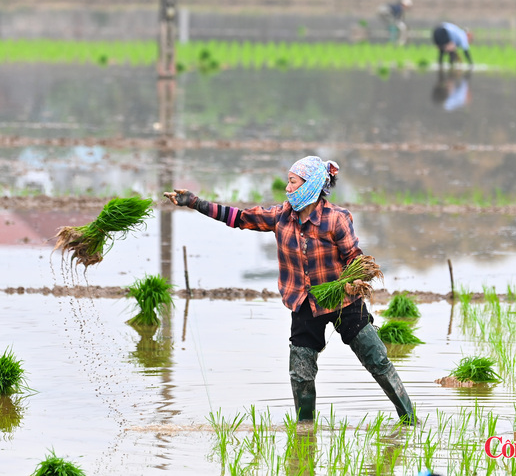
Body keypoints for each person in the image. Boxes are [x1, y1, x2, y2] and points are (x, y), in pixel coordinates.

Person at [163, 156, 415, 425]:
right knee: (301, 373)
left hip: (345, 301)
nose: (287, 188)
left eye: (293, 182)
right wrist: (194, 202)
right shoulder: (281, 216)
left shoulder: (336, 219)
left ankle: (410, 419)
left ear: (311, 185)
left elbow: (355, 257)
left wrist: (354, 280)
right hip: (305, 303)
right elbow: (238, 217)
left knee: (376, 359)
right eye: (288, 182)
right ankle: (305, 431)